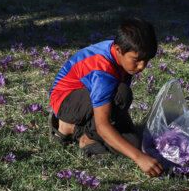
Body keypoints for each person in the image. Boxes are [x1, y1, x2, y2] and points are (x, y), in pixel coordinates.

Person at [48, 17, 163, 177]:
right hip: (67, 101)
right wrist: (139, 158)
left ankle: (84, 131)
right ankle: (73, 130)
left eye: (146, 60)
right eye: (136, 60)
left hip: (91, 99)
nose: (142, 66)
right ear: (118, 50)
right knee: (122, 94)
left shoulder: (123, 55)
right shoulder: (103, 70)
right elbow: (103, 125)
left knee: (134, 143)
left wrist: (136, 147)